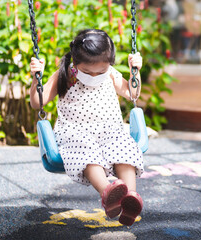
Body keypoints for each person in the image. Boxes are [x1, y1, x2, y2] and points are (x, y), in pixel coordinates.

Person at [29, 29, 144, 226]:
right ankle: (107, 191)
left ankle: (130, 197)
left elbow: (132, 93)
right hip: (75, 132)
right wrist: (35, 78)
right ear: (75, 63)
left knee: (124, 148)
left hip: (109, 130)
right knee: (86, 152)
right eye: (87, 72)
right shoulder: (64, 74)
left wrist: (136, 71)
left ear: (109, 64)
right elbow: (37, 102)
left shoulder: (111, 75)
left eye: (100, 72)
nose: (94, 76)